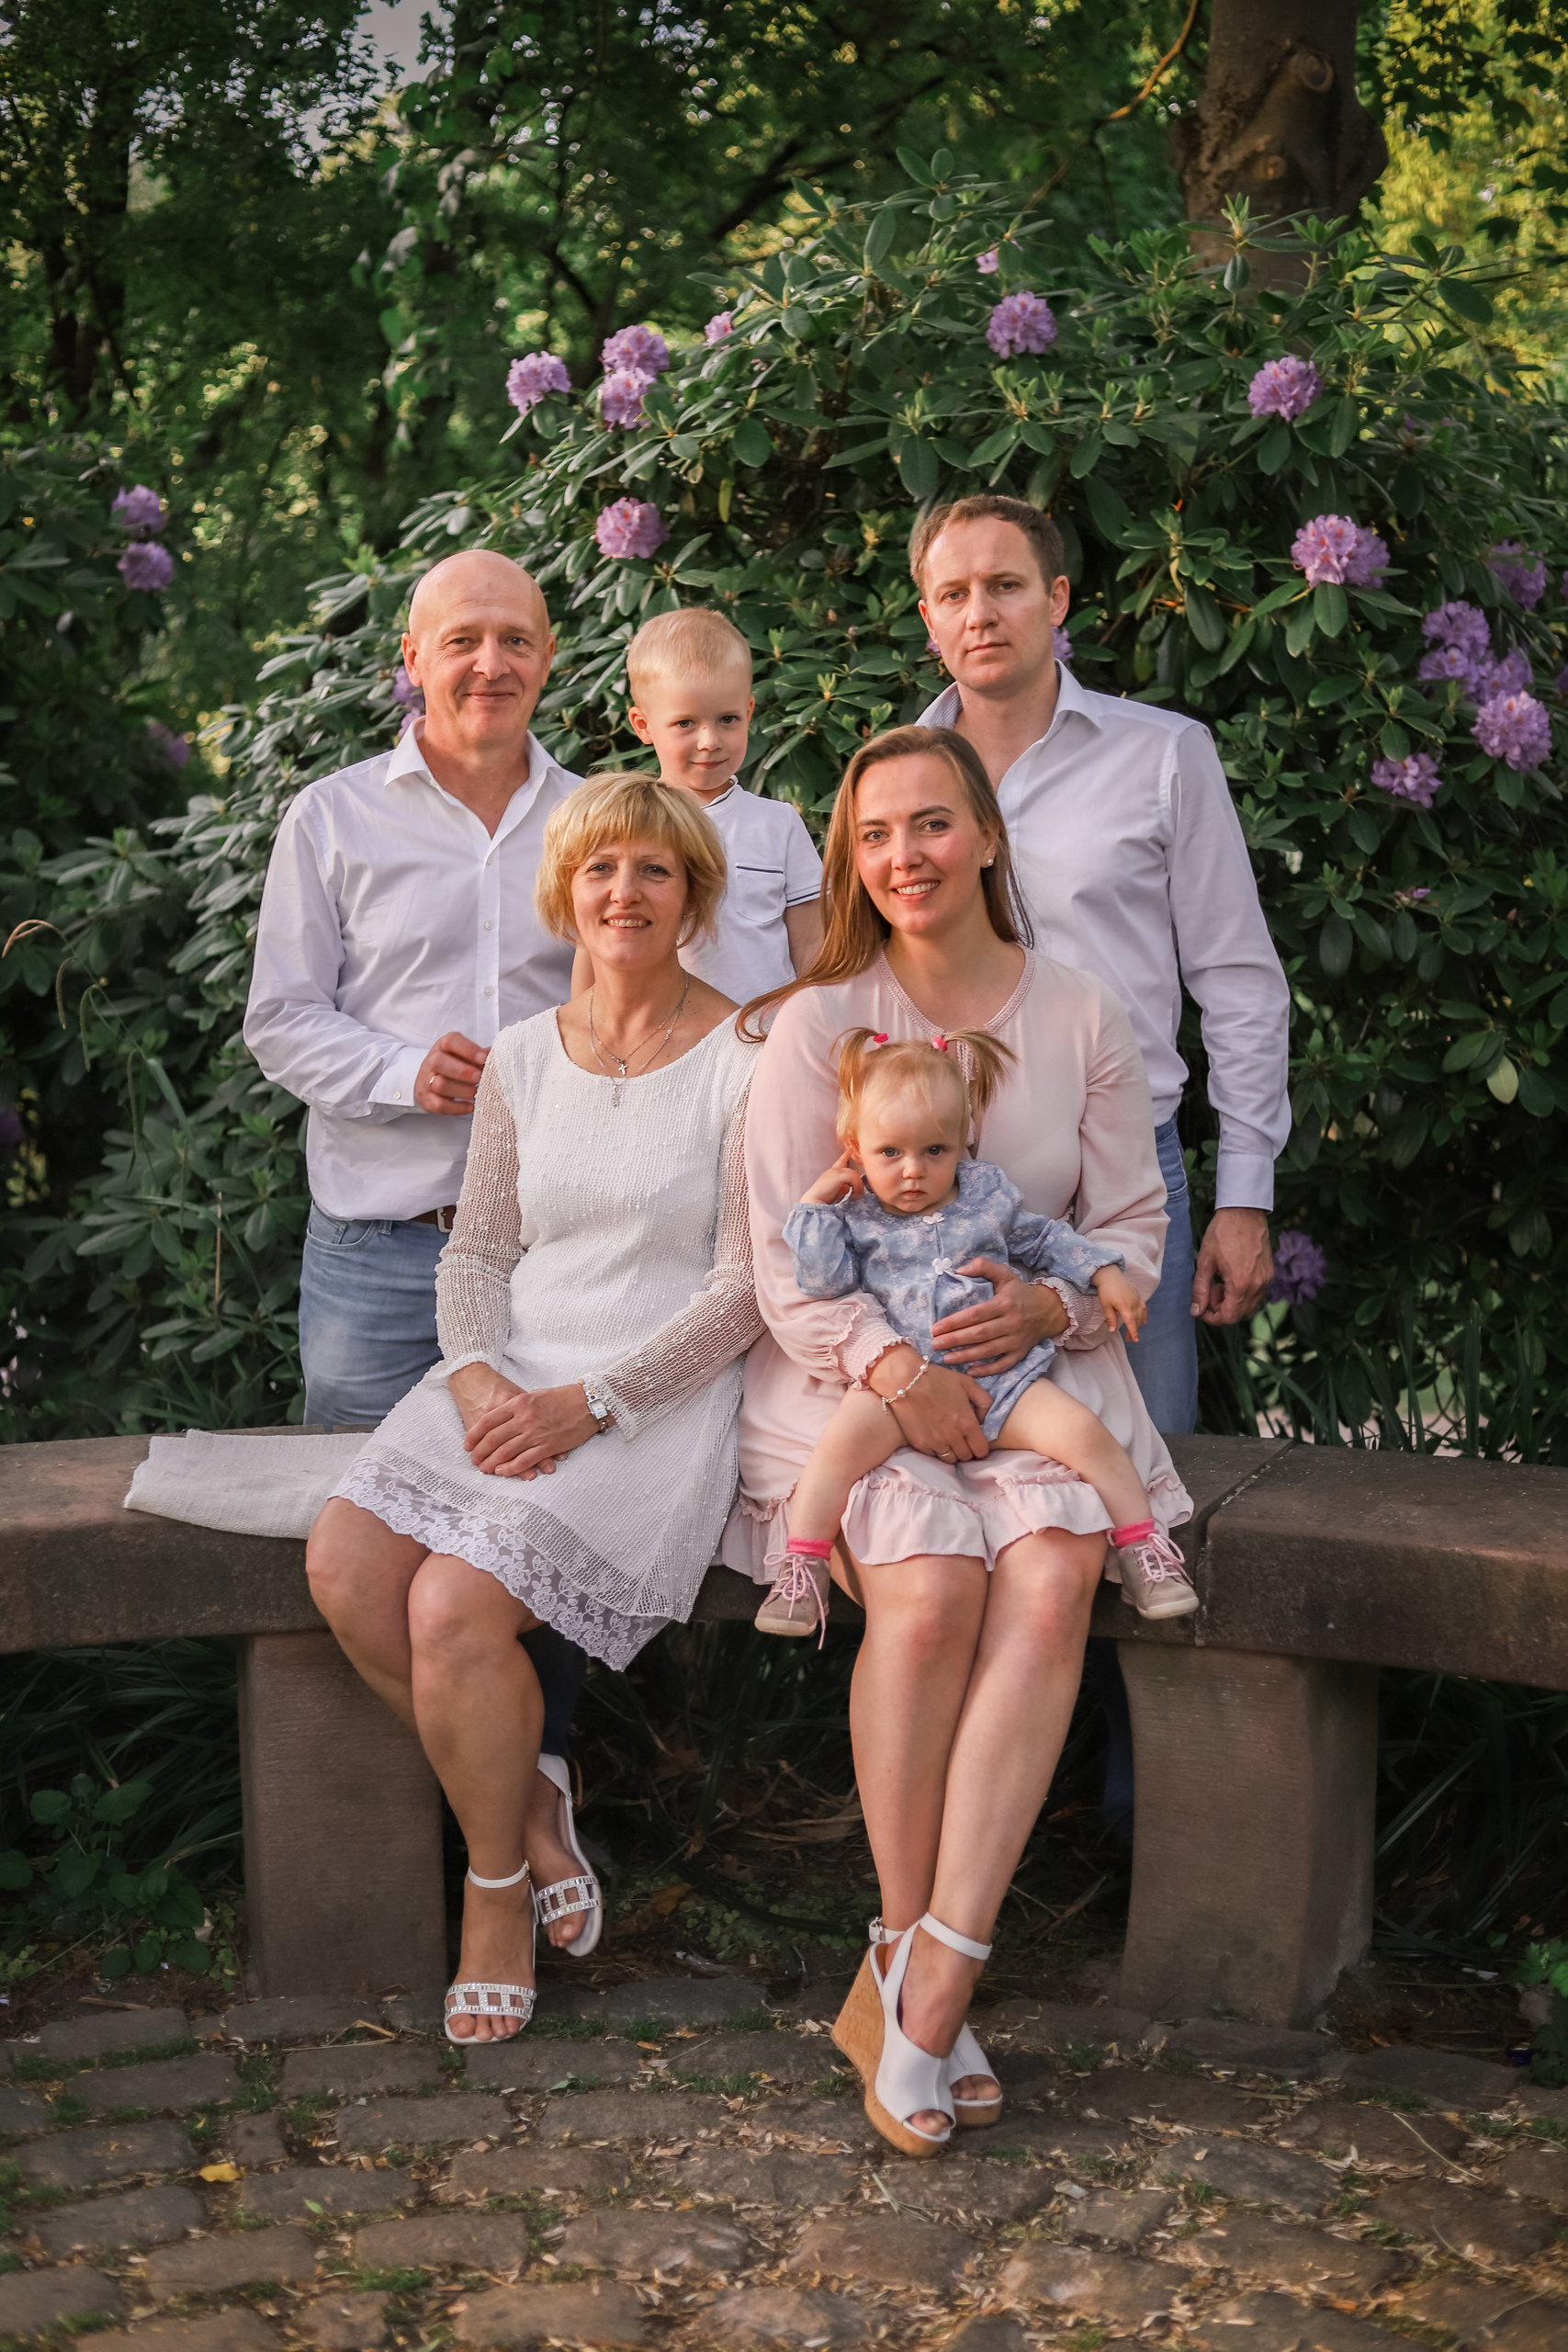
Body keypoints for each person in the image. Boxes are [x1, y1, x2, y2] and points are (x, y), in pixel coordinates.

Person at [728, 723, 1192, 2155]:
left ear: (985, 836)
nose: (901, 858)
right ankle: (895, 1934)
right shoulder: (818, 1024)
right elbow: (780, 1256)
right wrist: (890, 1367)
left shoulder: (1077, 1011)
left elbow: (1125, 1225)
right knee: (928, 1602)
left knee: (1048, 1580)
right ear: (849, 861)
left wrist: (1058, 1301)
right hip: (854, 1394)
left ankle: (933, 1983)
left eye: (928, 826)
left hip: (1032, 1369)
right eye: (872, 836)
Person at [305, 774, 761, 2041]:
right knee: (347, 1568)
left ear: (693, 900)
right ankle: (534, 1810)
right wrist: (475, 1377)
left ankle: (493, 1886)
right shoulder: (518, 1055)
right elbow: (476, 1253)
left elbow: (744, 1288)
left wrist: (590, 1405)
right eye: (600, 869)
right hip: (503, 1366)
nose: (623, 892)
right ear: (564, 893)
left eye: (654, 872)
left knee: (451, 1609)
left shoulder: (748, 1055)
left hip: (648, 1397)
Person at [243, 548, 598, 1955]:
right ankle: (511, 1832)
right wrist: (405, 1071)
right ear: (413, 651)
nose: (487, 664)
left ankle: (518, 1827)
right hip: (380, 1249)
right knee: (366, 1551)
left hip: (549, 1260)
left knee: (536, 1545)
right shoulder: (330, 820)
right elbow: (281, 1019)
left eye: (513, 638)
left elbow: (643, 1011)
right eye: (462, 639)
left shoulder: (596, 819)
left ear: (550, 657)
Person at [912, 492, 1291, 1436]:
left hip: (1122, 1179)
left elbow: (1237, 980)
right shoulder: (899, 774)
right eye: (953, 593)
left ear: (1057, 598)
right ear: (928, 618)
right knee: (966, 1483)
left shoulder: (1162, 754)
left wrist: (1245, 1196)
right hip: (935, 1181)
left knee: (1147, 1476)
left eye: (1005, 586)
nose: (980, 614)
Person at [758, 1027, 1193, 1639]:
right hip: (900, 1388)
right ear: (855, 1147)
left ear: (962, 1141)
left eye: (933, 1151)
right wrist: (814, 1206)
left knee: (1087, 1438)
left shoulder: (985, 1197)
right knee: (833, 1454)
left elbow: (1044, 1239)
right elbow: (823, 1283)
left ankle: (1144, 1550)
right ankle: (800, 1568)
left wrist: (1104, 1272)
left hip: (1001, 1377)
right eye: (890, 1153)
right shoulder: (853, 1216)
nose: (913, 1171)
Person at [571, 606, 823, 1005]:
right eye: (685, 723)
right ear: (642, 725)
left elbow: (811, 946)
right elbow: (593, 945)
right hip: (662, 1049)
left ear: (749, 712)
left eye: (727, 719)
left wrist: (819, 1030)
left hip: (767, 1044)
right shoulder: (623, 827)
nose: (710, 740)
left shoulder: (778, 824)